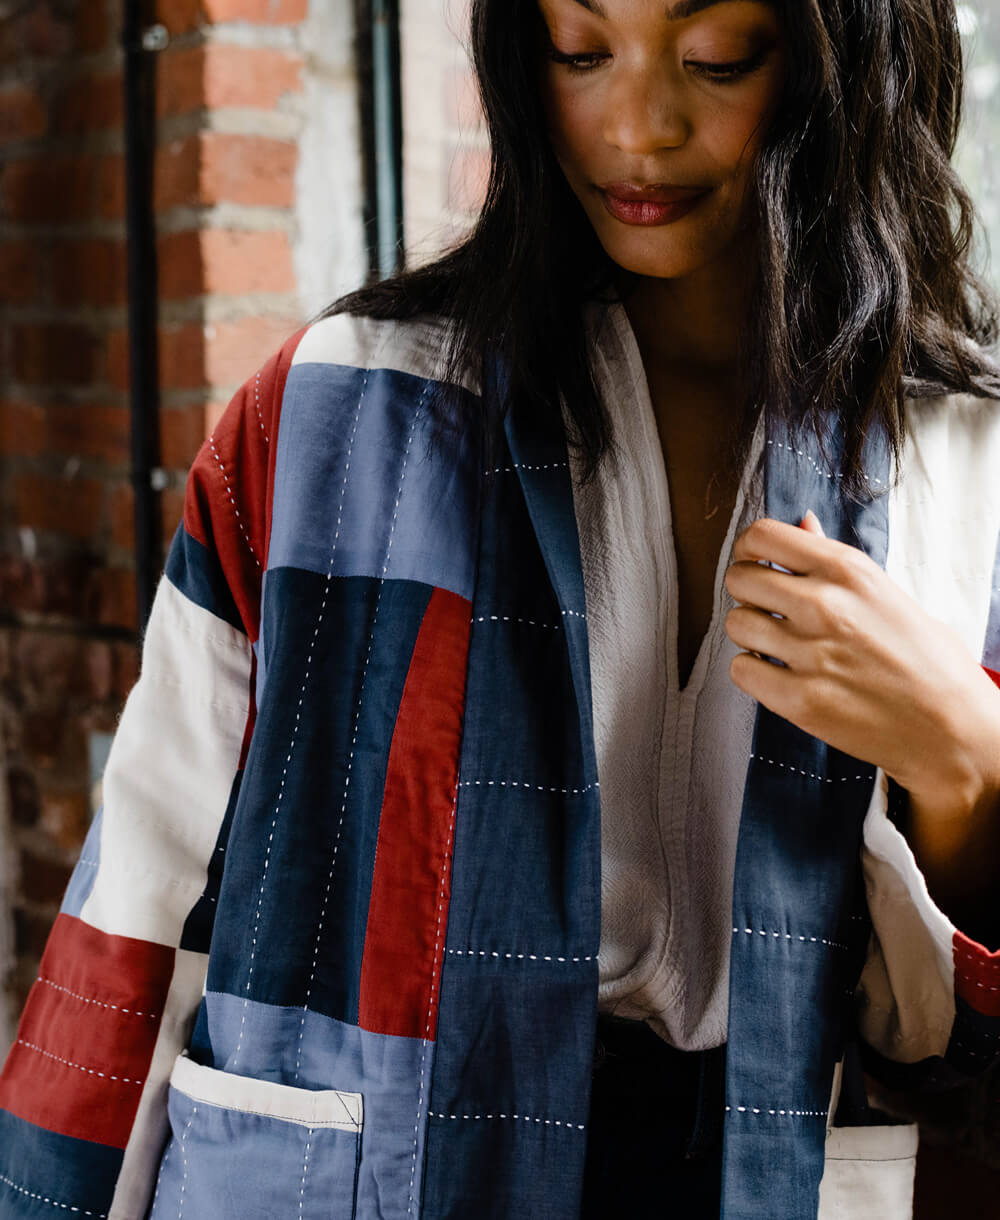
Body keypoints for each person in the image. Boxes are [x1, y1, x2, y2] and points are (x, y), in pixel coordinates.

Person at [2, 0, 1000, 1216]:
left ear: (853, 61)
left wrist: (966, 758)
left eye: (716, 57)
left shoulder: (971, 464)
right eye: (578, 50)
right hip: (385, 1171)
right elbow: (139, 904)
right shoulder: (334, 413)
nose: (637, 125)